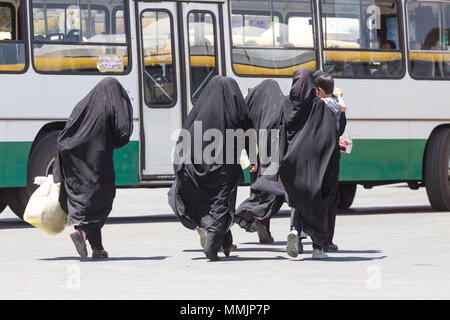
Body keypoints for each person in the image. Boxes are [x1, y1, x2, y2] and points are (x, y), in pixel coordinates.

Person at [168, 76, 252, 262]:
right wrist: (252, 159)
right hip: (225, 166)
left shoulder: (198, 112)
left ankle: (224, 241)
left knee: (210, 202)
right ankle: (212, 245)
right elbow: (248, 133)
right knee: (221, 202)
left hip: (197, 167)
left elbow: (184, 139)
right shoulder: (236, 112)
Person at [53, 78, 133, 259]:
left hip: (70, 156)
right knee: (102, 198)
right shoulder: (109, 106)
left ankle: (97, 248)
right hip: (96, 159)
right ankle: (80, 231)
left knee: (83, 198)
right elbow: (123, 132)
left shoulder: (82, 104)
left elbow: (66, 130)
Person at [279, 67, 339, 260]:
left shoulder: (287, 105)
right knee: (317, 204)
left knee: (298, 202)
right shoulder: (319, 106)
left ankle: (295, 231)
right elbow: (330, 136)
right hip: (316, 165)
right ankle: (318, 248)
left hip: (292, 164)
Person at [234, 79, 286, 243]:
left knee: (259, 189)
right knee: (275, 189)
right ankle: (248, 212)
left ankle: (260, 224)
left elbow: (244, 131)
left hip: (257, 156)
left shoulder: (252, 106)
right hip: (276, 154)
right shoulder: (281, 104)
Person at [313, 71, 347, 252]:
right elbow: (341, 129)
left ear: (318, 90)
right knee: (331, 198)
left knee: (315, 196)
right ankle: (328, 240)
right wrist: (340, 98)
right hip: (333, 156)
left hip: (317, 157)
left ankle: (312, 236)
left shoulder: (316, 106)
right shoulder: (337, 105)